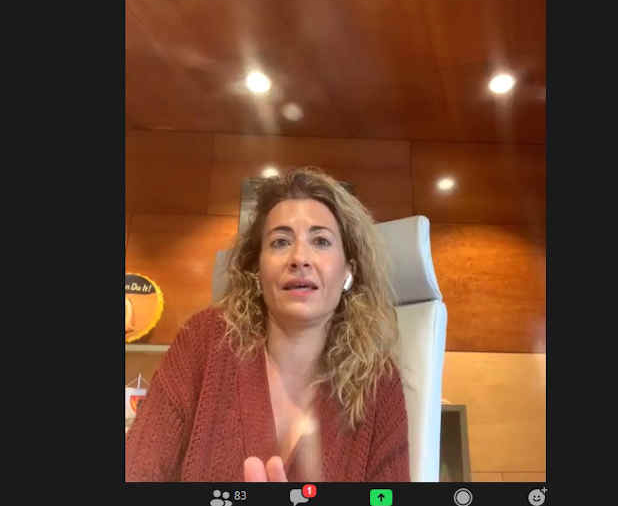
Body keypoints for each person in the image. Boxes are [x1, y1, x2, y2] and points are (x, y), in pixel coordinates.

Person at [125, 168, 409, 482]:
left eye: (321, 241)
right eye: (280, 242)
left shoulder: (379, 382)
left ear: (348, 271)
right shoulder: (203, 341)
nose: (299, 258)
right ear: (257, 271)